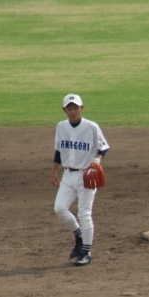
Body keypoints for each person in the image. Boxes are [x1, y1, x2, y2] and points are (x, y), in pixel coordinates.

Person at [51, 94, 110, 266]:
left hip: (86, 175)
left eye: (75, 108)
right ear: (64, 110)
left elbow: (103, 148)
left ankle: (86, 252)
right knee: (59, 208)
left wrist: (97, 160)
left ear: (81, 108)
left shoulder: (91, 127)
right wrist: (54, 171)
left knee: (84, 213)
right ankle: (79, 236)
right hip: (68, 175)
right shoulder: (61, 127)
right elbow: (58, 151)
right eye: (69, 108)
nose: (72, 111)